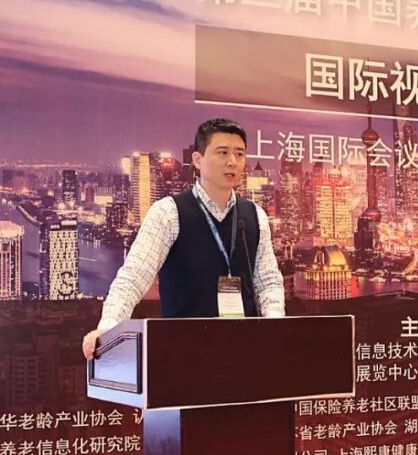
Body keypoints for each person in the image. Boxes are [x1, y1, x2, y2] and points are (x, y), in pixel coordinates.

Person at [82, 118, 285, 360]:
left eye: (239, 154)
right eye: (222, 152)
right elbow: (133, 277)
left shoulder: (254, 215)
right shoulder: (168, 212)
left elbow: (268, 281)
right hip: (184, 353)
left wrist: (276, 327)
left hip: (246, 352)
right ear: (197, 160)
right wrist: (108, 328)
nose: (232, 161)